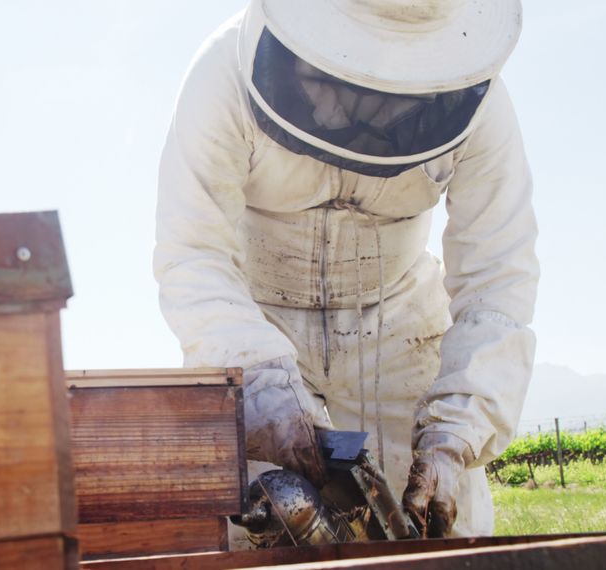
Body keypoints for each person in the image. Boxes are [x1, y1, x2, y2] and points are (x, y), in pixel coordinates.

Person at [153, 0, 538, 538]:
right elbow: (194, 256)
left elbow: (498, 277)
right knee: (263, 519)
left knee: (443, 523)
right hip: (255, 322)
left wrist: (457, 431)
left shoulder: (482, 102)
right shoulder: (222, 73)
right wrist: (258, 376)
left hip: (399, 321)